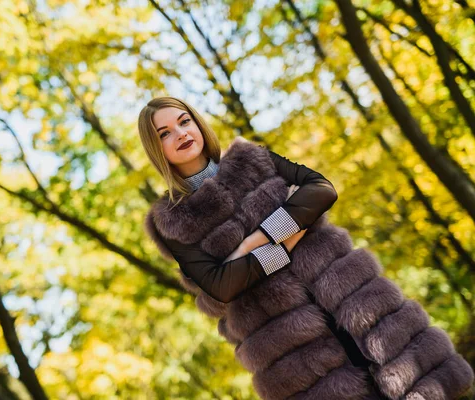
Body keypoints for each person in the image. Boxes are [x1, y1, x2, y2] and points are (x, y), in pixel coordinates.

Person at [138, 96, 374, 371]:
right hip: (295, 352)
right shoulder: (172, 220)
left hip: (356, 300)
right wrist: (290, 237)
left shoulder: (250, 157)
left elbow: (322, 190)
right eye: (165, 134)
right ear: (157, 149)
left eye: (184, 122)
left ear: (197, 124)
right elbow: (222, 286)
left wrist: (256, 241)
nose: (181, 134)